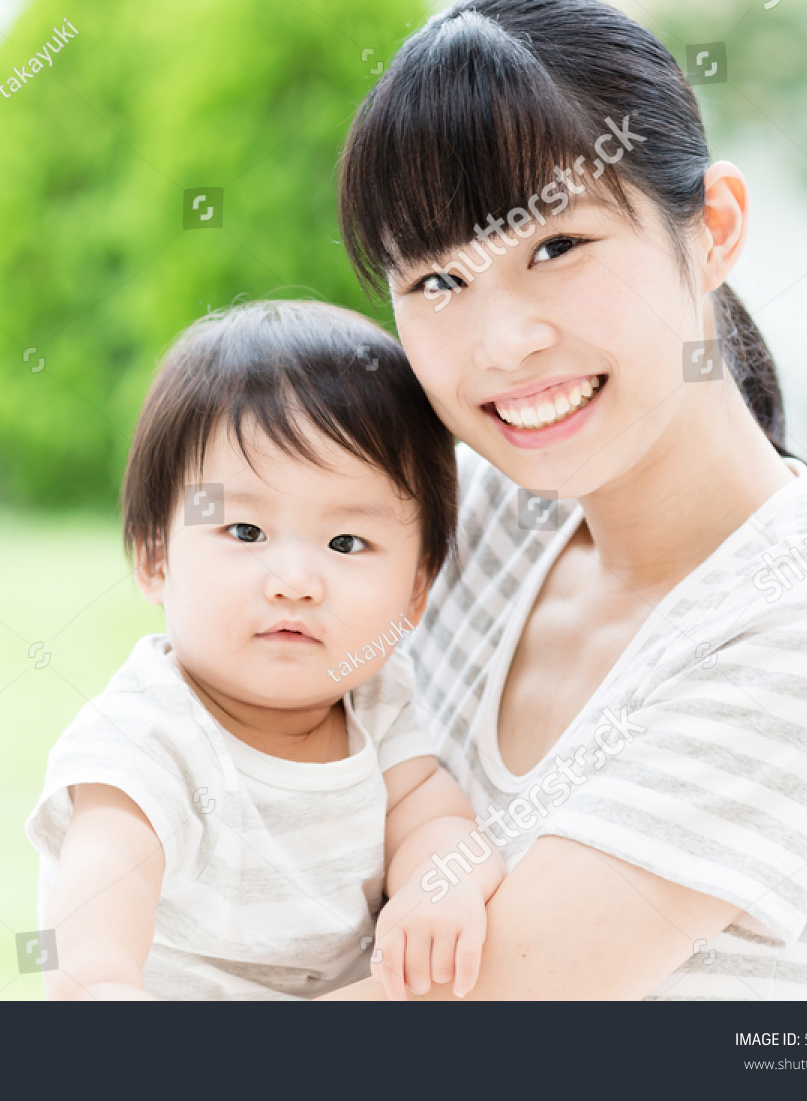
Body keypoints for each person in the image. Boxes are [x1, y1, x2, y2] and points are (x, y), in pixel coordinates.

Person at [326, 0, 807, 999]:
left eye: (556, 247)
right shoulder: (461, 525)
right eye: (438, 280)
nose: (502, 342)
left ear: (715, 230)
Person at [25, 300, 502, 999]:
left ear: (415, 591)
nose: (296, 583)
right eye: (245, 531)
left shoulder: (378, 702)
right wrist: (100, 985)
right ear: (157, 554)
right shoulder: (149, 736)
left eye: (346, 543)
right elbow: (99, 902)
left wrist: (441, 884)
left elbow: (431, 813)